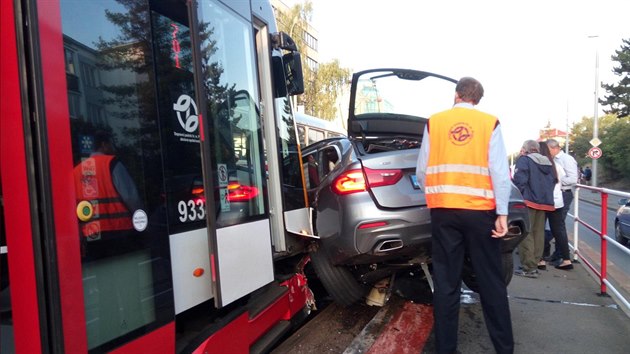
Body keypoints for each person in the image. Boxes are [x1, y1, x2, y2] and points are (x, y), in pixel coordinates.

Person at [416, 77, 514, 354]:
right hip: (480, 211)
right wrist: (502, 214)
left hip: (444, 211)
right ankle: (504, 348)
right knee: (490, 280)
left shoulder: (434, 121)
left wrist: (435, 197)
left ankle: (446, 349)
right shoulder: (490, 123)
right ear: (478, 99)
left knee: (447, 283)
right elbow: (499, 172)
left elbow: (422, 169)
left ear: (457, 94)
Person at [73, 131, 143, 240]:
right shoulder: (112, 163)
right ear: (104, 145)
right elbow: (130, 196)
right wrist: (142, 220)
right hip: (120, 229)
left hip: (91, 233)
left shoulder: (76, 171)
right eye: (111, 144)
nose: (113, 148)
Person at [513, 140, 555, 278]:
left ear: (525, 149)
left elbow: (520, 180)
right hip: (544, 202)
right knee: (538, 233)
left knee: (526, 233)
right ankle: (535, 263)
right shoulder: (548, 162)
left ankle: (528, 267)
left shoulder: (524, 160)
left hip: (529, 200)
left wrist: (521, 195)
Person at [539, 142, 572, 270]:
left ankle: (540, 259)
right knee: (559, 231)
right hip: (557, 202)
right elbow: (562, 181)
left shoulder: (537, 165)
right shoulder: (556, 165)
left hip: (542, 202)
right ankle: (566, 259)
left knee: (539, 229)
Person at [545, 139, 578, 263]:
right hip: (558, 193)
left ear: (554, 148)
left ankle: (561, 255)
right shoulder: (554, 160)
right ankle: (559, 254)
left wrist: (556, 181)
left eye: (548, 150)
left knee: (558, 226)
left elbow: (573, 179)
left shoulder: (566, 159)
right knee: (556, 226)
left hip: (564, 193)